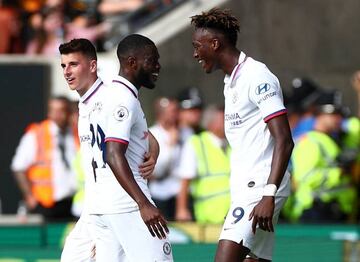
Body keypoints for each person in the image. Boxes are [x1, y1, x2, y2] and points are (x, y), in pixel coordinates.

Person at [191, 8, 294, 262]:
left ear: (214, 44)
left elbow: (284, 139)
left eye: (197, 46)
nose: (195, 53)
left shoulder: (257, 76)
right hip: (247, 189)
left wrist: (268, 194)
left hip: (260, 188)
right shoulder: (231, 81)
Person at [62, 35, 172, 261]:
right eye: (64, 66)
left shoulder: (109, 95)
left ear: (93, 65)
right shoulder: (91, 102)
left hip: (115, 203)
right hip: (103, 206)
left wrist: (154, 153)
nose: (67, 71)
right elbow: (119, 148)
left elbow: (143, 136)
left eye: (73, 64)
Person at [287, 91, 357, 222]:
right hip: (314, 211)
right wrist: (339, 173)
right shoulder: (309, 142)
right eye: (333, 114)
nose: (339, 119)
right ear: (319, 114)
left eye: (340, 115)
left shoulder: (334, 140)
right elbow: (306, 177)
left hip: (335, 211)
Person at [11, 96, 78, 221]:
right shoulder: (37, 134)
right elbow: (18, 167)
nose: (58, 115)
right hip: (46, 204)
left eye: (62, 110)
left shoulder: (76, 134)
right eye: (54, 110)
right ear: (49, 112)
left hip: (73, 203)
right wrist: (29, 196)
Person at [176, 105, 231, 224]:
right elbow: (185, 180)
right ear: (211, 123)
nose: (229, 122)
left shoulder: (233, 143)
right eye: (224, 120)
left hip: (234, 215)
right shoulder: (196, 143)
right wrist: (182, 209)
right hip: (209, 218)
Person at [148, 97, 181, 221]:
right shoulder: (152, 134)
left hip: (180, 193)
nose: (177, 114)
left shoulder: (185, 132)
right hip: (159, 194)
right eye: (173, 111)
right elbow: (155, 170)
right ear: (161, 113)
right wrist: (171, 147)